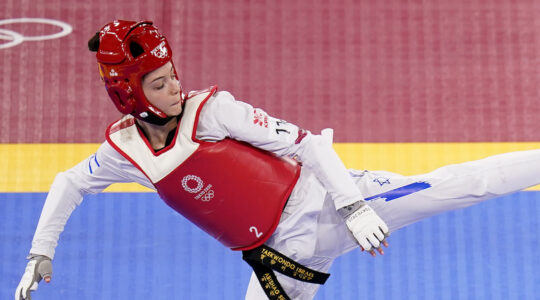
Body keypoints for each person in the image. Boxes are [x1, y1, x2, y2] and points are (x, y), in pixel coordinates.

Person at [13, 20, 540, 300]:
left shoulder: (214, 110)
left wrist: (354, 207)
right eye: (158, 81)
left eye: (172, 73)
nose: (174, 85)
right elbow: (68, 182)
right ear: (127, 94)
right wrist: (40, 251)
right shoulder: (125, 150)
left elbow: (310, 144)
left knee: (461, 184)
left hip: (330, 204)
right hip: (283, 260)